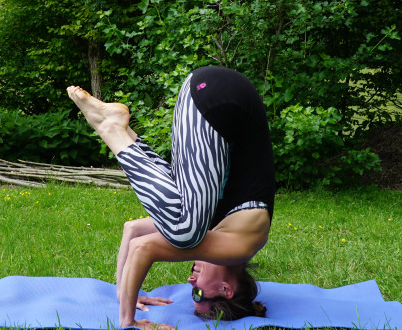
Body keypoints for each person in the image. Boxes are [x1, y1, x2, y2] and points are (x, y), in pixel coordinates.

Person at [67, 66, 275, 330]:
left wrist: (125, 293)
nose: (191, 284)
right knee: (185, 232)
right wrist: (128, 321)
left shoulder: (222, 227)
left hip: (201, 95)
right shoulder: (238, 247)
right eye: (199, 294)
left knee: (182, 217)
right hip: (219, 102)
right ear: (226, 289)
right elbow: (144, 248)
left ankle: (122, 129)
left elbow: (133, 230)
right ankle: (111, 129)